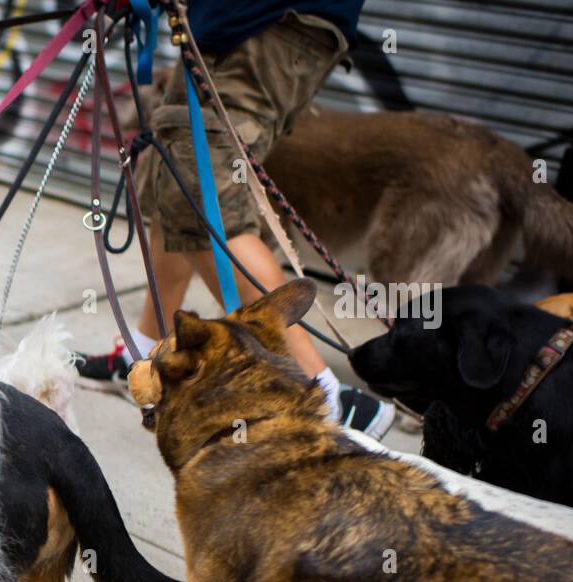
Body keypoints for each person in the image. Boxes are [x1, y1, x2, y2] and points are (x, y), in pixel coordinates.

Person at [76, 0, 394, 437]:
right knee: (178, 185)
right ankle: (146, 357)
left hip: (261, 26)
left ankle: (324, 397)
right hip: (245, 28)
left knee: (207, 209)